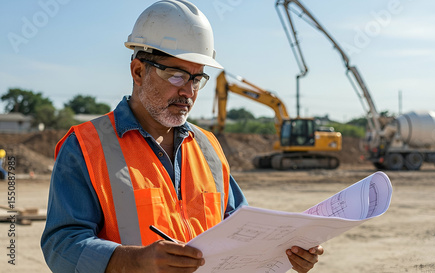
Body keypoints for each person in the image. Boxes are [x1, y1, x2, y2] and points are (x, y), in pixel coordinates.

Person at [41, 1, 323, 272]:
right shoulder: (85, 146)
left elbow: (241, 230)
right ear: (138, 71)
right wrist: (133, 262)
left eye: (197, 78)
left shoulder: (208, 148)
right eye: (176, 75)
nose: (189, 92)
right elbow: (60, 245)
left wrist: (285, 250)